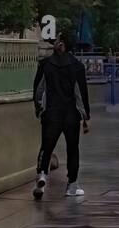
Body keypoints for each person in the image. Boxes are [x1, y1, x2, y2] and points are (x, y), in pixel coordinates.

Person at [32, 34, 91, 199]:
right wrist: (85, 117)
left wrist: (39, 109)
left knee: (46, 146)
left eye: (57, 40)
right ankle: (72, 185)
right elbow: (80, 93)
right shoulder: (77, 66)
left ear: (62, 44)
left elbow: (38, 90)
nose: (55, 42)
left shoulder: (46, 64)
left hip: (51, 113)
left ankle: (42, 175)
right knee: (73, 149)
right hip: (71, 115)